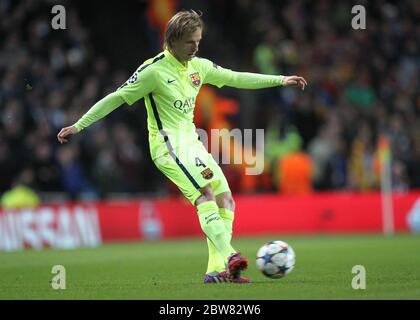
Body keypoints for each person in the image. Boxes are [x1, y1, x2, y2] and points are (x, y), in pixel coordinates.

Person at [57, 10, 307, 284]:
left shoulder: (198, 67)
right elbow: (116, 98)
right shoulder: (153, 71)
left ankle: (216, 270)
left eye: (198, 41)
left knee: (226, 199)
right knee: (205, 194)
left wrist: (280, 80)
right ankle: (230, 255)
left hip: (192, 143)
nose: (196, 47)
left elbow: (235, 78)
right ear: (172, 40)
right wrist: (79, 125)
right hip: (167, 147)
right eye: (190, 42)